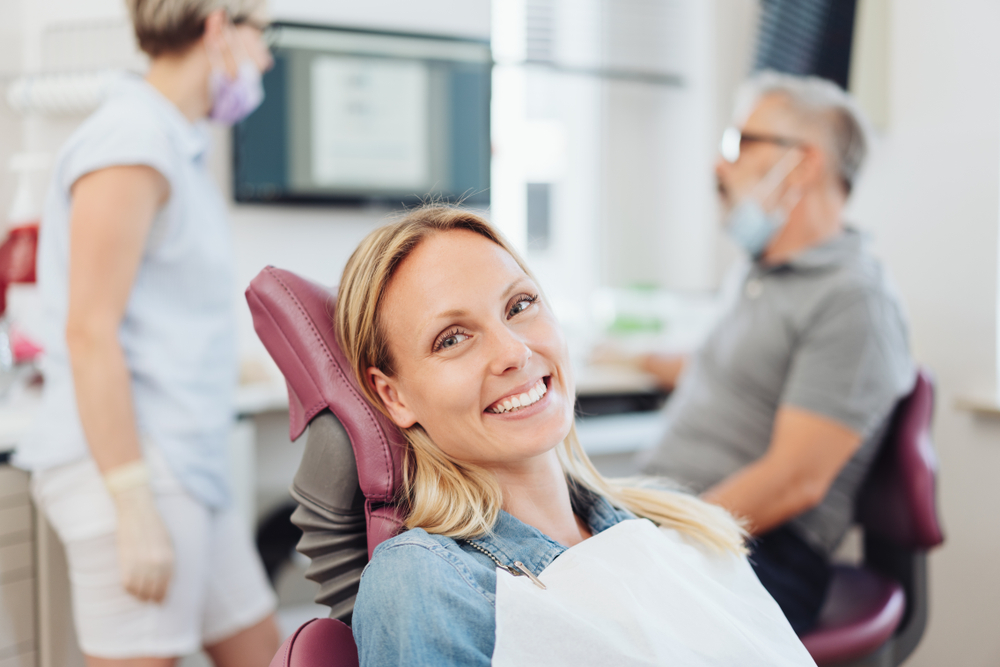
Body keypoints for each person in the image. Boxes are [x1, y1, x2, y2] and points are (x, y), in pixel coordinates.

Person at [331, 206, 816, 666]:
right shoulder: (425, 581)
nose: (514, 352)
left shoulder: (676, 528)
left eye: (520, 305)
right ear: (394, 396)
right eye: (453, 338)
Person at [15, 1, 281, 665]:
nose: (265, 58)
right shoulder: (130, 142)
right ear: (218, 26)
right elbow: (88, 330)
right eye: (262, 35)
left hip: (188, 459)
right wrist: (131, 504)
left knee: (267, 651)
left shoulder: (173, 142)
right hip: (134, 465)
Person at [633, 72, 915, 633]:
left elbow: (794, 480)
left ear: (803, 164)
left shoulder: (854, 301)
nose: (719, 165)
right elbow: (738, 371)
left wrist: (658, 542)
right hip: (683, 519)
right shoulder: (761, 273)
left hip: (758, 548)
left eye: (739, 143)